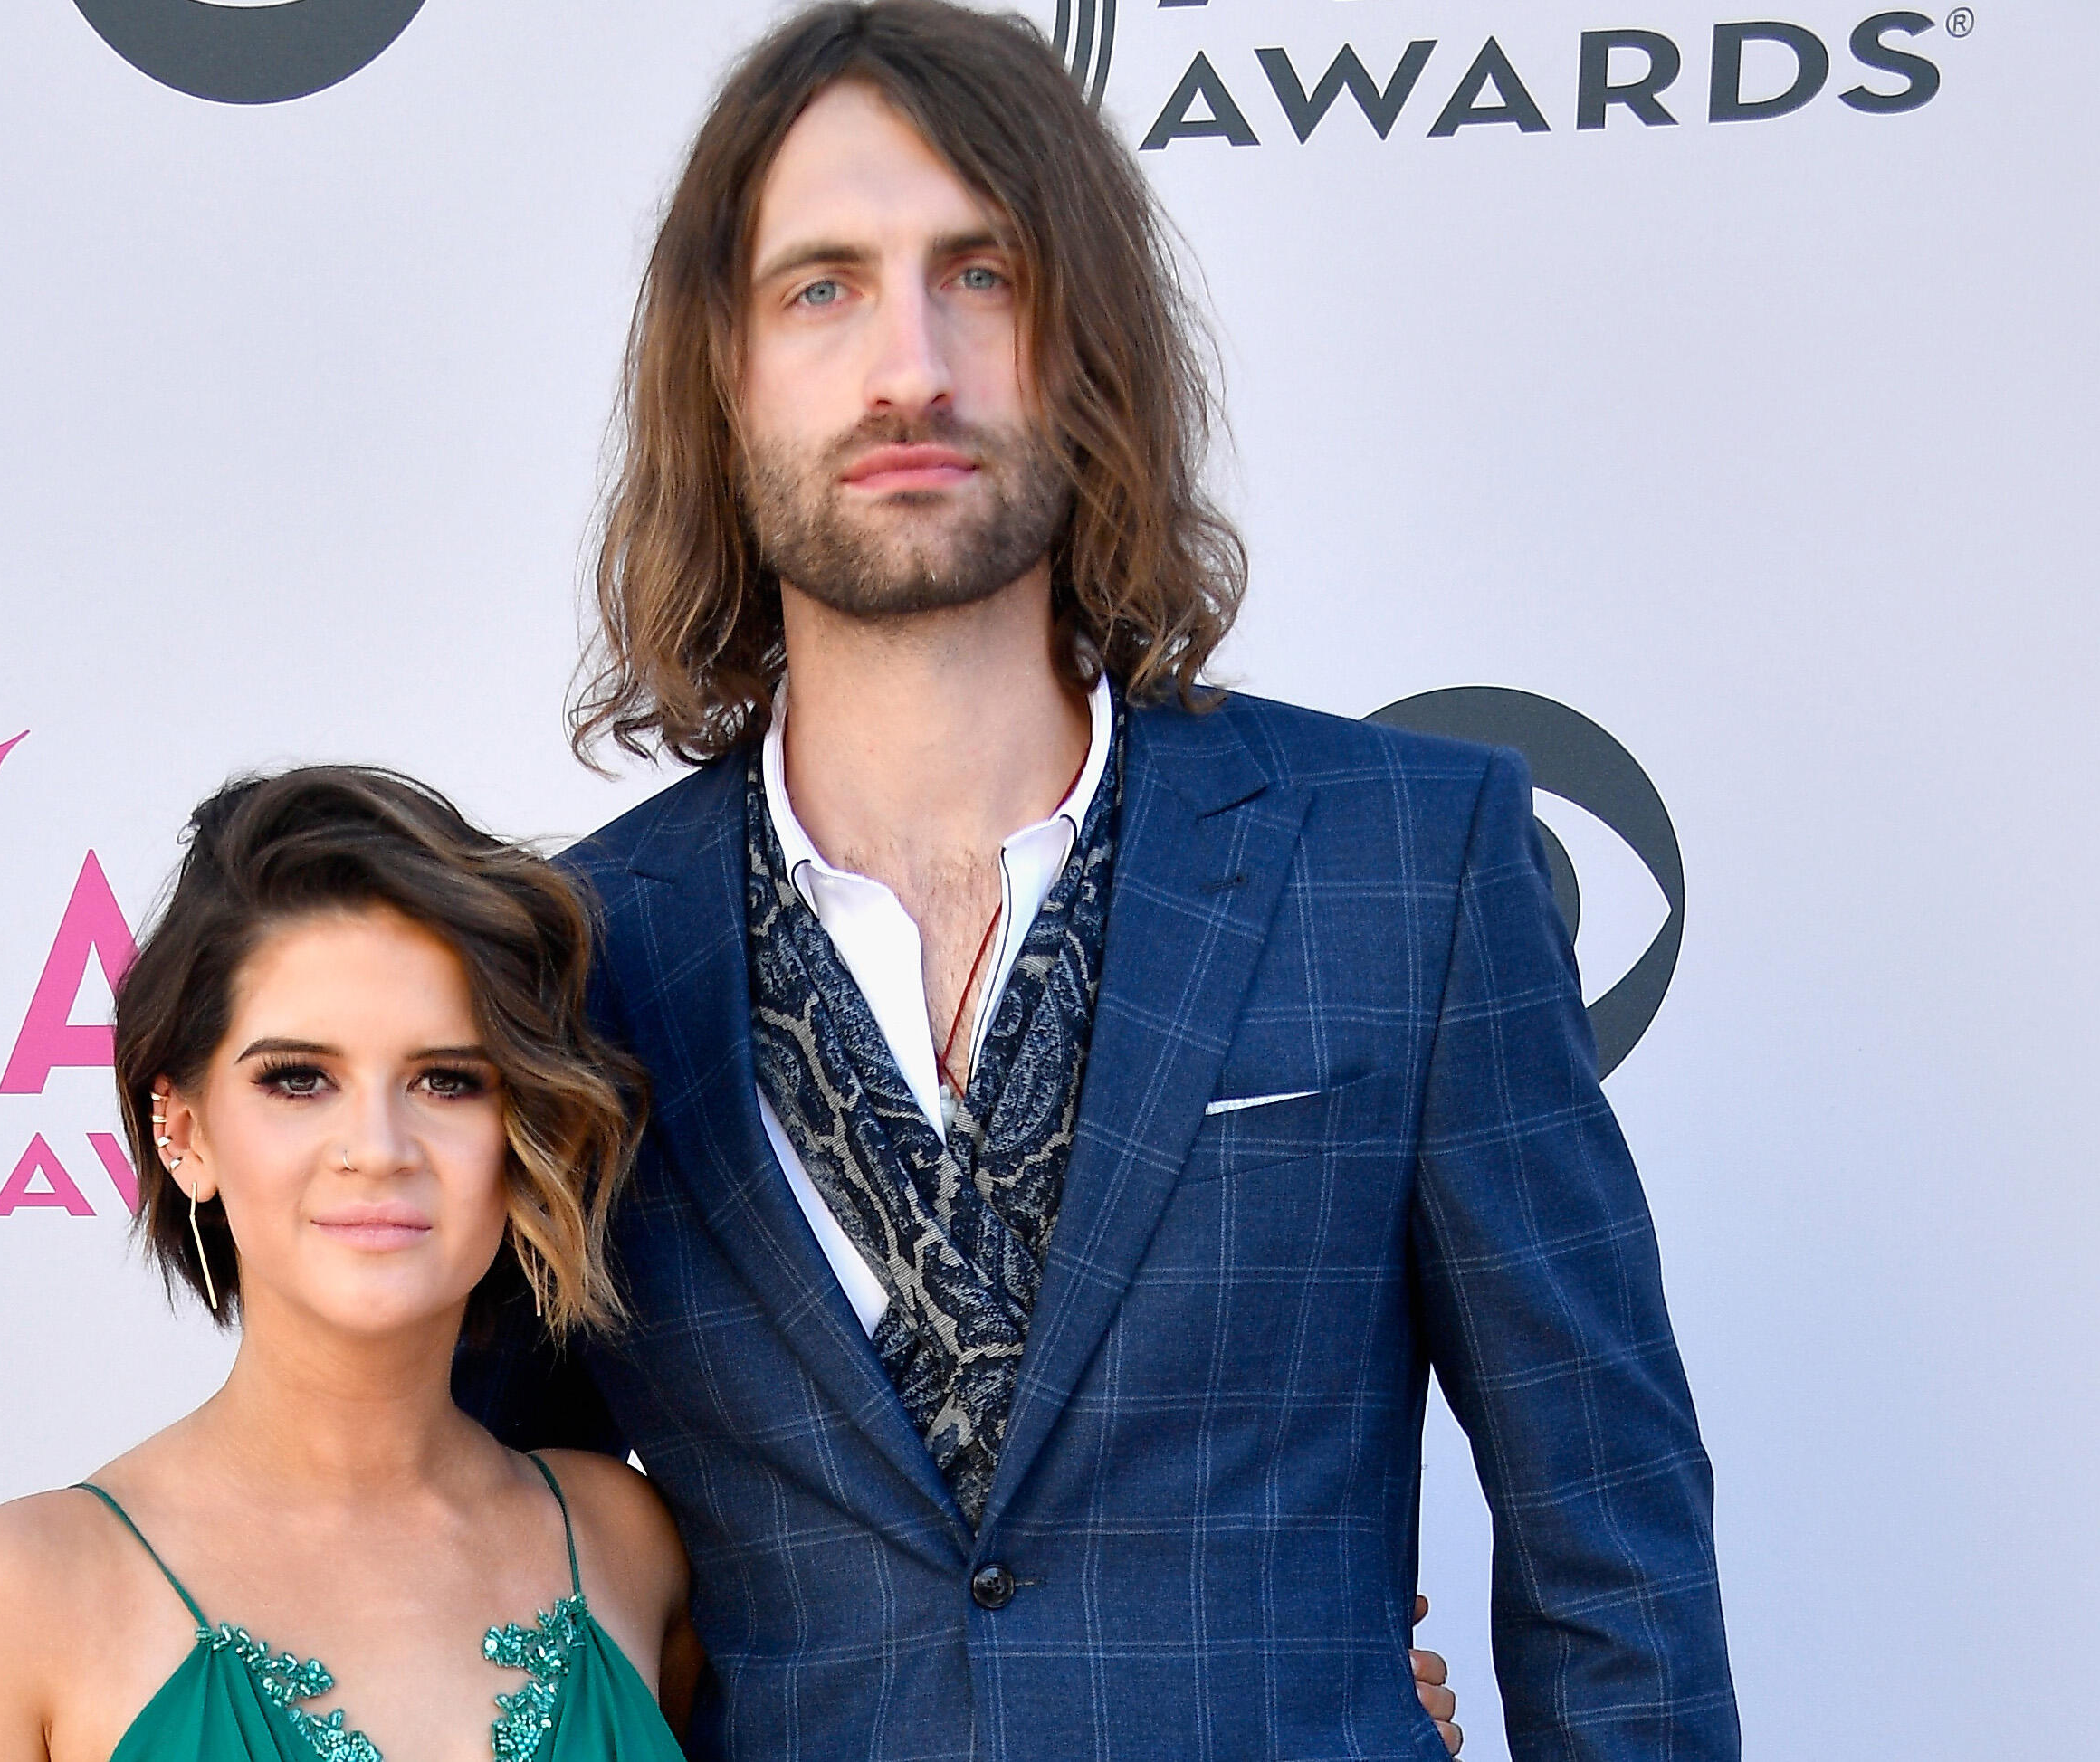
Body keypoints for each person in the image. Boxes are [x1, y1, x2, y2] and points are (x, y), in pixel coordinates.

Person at [457, 5, 1737, 1760]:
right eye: (820, 287)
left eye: (978, 273)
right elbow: (425, 1520)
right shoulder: (575, 963)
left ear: (1087, 346)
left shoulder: (1404, 863)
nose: (908, 366)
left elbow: (1617, 1555)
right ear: (722, 372)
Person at [0, 768, 698, 1762]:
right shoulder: (23, 1591)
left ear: (517, 1127)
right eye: (299, 1079)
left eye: (446, 1080)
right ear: (184, 1132)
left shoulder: (625, 1543)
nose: (378, 1146)